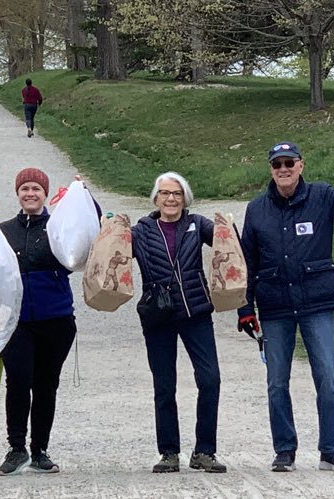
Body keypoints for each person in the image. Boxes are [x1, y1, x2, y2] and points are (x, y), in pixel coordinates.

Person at [237, 141, 334, 473]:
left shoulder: (322, 196)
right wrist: (245, 308)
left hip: (316, 304)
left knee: (327, 376)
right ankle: (285, 450)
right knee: (277, 381)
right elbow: (247, 262)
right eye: (277, 164)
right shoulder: (256, 210)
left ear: (301, 165)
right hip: (274, 306)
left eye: (289, 163)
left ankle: (330, 450)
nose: (284, 169)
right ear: (271, 169)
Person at [131, 172, 228, 474]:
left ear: (185, 198)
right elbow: (108, 246)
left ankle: (204, 451)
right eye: (165, 193)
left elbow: (228, 241)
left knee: (210, 379)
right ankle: (169, 452)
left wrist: (228, 227)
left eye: (176, 193)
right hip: (157, 315)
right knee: (164, 385)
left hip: (195, 312)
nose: (171, 199)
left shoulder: (197, 224)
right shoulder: (141, 230)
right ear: (155, 198)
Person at [0, 167, 85, 476]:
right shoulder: (3, 230)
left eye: (36, 188)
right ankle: (16, 448)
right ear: (17, 193)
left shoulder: (58, 227)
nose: (30, 193)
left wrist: (83, 195)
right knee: (18, 381)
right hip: (15, 322)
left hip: (56, 320)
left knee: (46, 385)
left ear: (45, 194)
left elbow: (88, 229)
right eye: (25, 188)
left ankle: (40, 450)